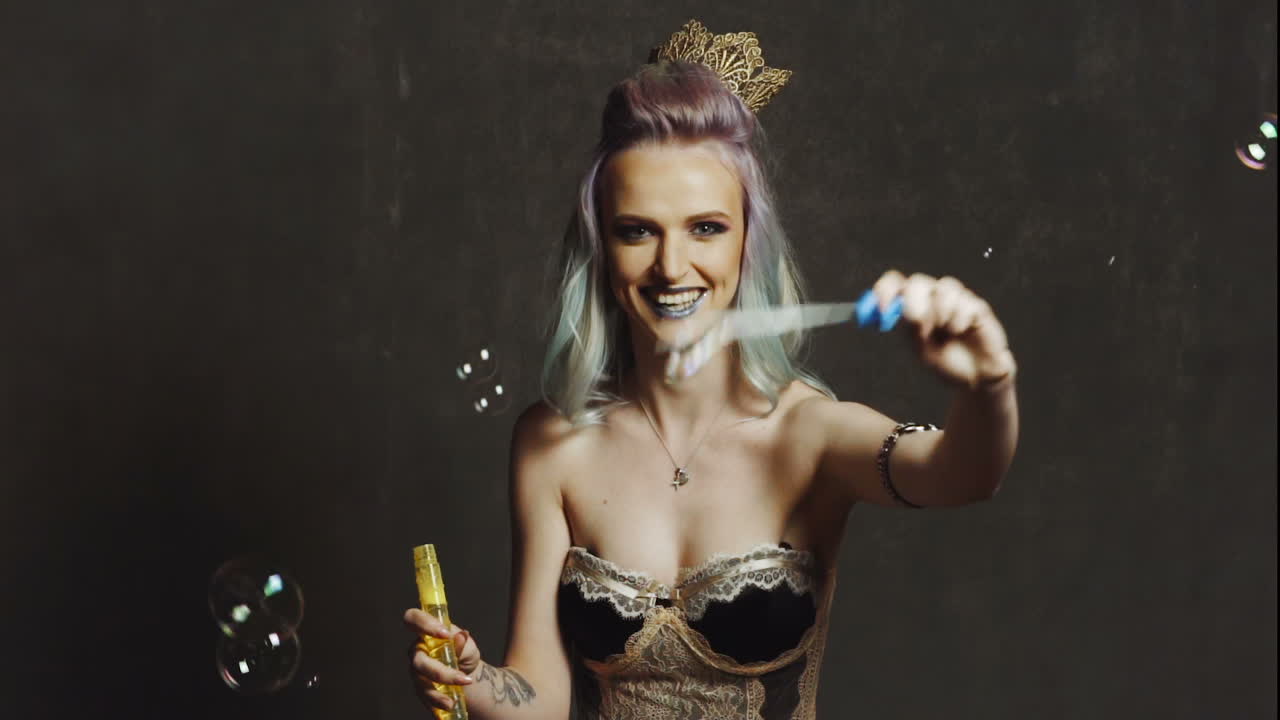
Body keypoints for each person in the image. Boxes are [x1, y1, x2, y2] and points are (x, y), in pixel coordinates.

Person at [404, 19, 1019, 719]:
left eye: (706, 228)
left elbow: (963, 474)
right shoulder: (553, 443)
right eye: (638, 230)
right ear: (602, 248)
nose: (672, 267)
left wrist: (988, 385)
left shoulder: (809, 435)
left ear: (747, 242)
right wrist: (474, 677)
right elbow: (540, 697)